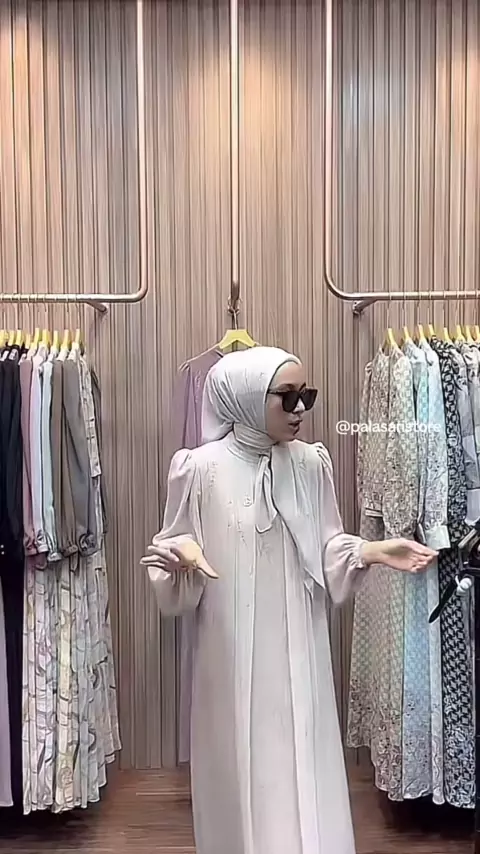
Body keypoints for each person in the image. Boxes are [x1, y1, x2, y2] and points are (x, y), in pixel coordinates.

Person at [141, 346, 436, 854]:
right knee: (237, 759)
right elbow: (173, 551)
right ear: (246, 398)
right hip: (229, 648)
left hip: (298, 642)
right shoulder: (199, 469)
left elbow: (327, 546)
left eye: (307, 396)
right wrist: (179, 560)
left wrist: (373, 550)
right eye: (287, 397)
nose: (300, 410)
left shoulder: (309, 463)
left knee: (300, 752)